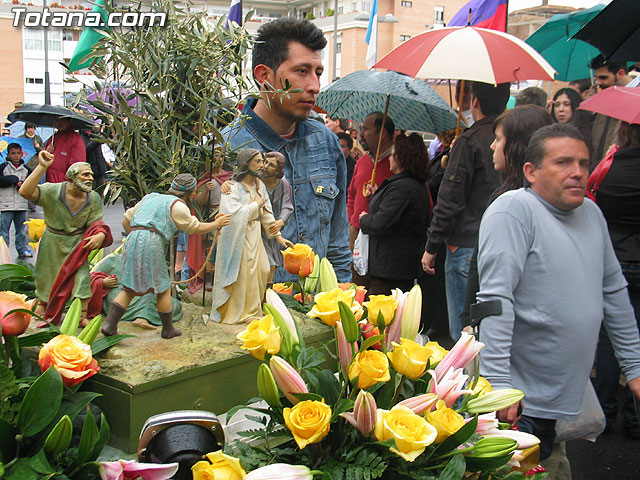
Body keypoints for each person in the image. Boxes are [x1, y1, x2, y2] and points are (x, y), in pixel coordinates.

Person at [476, 123, 640, 468]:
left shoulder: (592, 214)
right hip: (520, 402)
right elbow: (495, 303)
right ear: (531, 172)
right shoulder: (513, 211)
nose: (578, 172)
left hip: (566, 397)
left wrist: (635, 368)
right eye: (564, 162)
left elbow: (614, 292)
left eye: (584, 163)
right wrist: (499, 384)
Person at [223, 17, 351, 282]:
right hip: (253, 314)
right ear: (264, 76)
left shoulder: (326, 142)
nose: (314, 85)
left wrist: (342, 301)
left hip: (318, 311)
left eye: (317, 72)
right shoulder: (228, 148)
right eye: (302, 71)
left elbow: (338, 239)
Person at [421, 81, 510, 341]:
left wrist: (431, 247)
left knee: (464, 337)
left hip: (466, 244)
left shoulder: (470, 140)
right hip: (499, 243)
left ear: (475, 101)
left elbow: (450, 199)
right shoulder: (512, 138)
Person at [101, 174, 230, 339]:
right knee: (163, 288)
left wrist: (135, 238)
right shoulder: (178, 206)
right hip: (152, 241)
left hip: (132, 238)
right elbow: (194, 227)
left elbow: (126, 220)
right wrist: (216, 224)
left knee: (129, 287)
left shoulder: (150, 197)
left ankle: (110, 325)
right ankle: (168, 329)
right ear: (192, 193)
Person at [459, 105, 553, 330]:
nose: (492, 145)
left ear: (517, 145)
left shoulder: (511, 205)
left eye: (498, 139)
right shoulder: (503, 194)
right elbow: (478, 262)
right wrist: (469, 316)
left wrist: (472, 318)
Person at [19, 150, 111, 325]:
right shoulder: (53, 191)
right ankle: (44, 305)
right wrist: (42, 167)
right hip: (52, 242)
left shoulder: (93, 198)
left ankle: (81, 315)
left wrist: (100, 234)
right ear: (72, 177)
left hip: (77, 244)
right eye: (85, 175)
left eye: (91, 174)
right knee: (46, 275)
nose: (90, 178)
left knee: (82, 277)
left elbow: (96, 222)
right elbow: (25, 192)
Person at [592, 121, 640, 439]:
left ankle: (606, 412)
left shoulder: (610, 166)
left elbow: (594, 201)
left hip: (615, 258)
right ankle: (635, 420)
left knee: (609, 342)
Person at [210, 149, 292, 325]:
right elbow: (229, 216)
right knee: (243, 274)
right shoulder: (232, 188)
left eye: (262, 161)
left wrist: (278, 237)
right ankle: (241, 313)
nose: (262, 165)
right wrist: (254, 206)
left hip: (254, 234)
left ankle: (254, 310)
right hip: (238, 238)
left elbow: (267, 213)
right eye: (258, 161)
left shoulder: (260, 186)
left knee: (262, 270)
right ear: (246, 164)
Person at [359, 133, 430, 295]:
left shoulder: (403, 187)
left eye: (392, 155)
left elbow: (380, 223)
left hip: (391, 269)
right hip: (397, 266)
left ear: (401, 158)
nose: (389, 158)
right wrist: (378, 194)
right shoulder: (410, 184)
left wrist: (364, 219)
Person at [88, 250, 184, 329]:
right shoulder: (112, 260)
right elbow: (90, 278)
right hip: (118, 293)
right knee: (146, 297)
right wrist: (103, 282)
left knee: (172, 304)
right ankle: (141, 318)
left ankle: (142, 319)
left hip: (143, 292)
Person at [347, 112, 395, 252]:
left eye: (366, 129)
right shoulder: (362, 161)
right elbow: (351, 195)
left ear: (383, 133)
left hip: (383, 240)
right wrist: (352, 221)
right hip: (356, 235)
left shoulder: (397, 165)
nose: (361, 134)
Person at [588, 54, 634, 164]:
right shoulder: (605, 95)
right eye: (596, 79)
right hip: (599, 169)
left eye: (603, 78)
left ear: (621, 74)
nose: (598, 83)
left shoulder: (636, 98)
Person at [260, 151, 294, 284]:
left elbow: (287, 206)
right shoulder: (257, 181)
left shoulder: (283, 184)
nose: (266, 166)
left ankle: (267, 294)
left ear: (278, 170)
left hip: (272, 228)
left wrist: (281, 221)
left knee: (271, 263)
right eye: (265, 162)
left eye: (271, 165)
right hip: (257, 225)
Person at [0, 143, 32, 258]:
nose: (16, 156)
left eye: (18, 153)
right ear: (8, 154)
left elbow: (32, 183)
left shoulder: (26, 169)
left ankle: (22, 249)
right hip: (6, 205)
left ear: (22, 154)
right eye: (13, 153)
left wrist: (22, 185)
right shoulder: (3, 167)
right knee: (4, 231)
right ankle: (3, 250)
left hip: (21, 204)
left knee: (21, 230)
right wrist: (11, 180)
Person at [548, 88, 593, 159]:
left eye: (566, 104)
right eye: (557, 105)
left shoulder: (583, 135)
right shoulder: (550, 132)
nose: (561, 109)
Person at [44, 117, 86, 183]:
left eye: (62, 120)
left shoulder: (76, 140)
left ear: (69, 121)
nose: (59, 123)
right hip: (49, 183)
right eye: (57, 120)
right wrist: (46, 152)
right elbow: (43, 161)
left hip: (64, 186)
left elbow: (77, 166)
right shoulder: (53, 138)